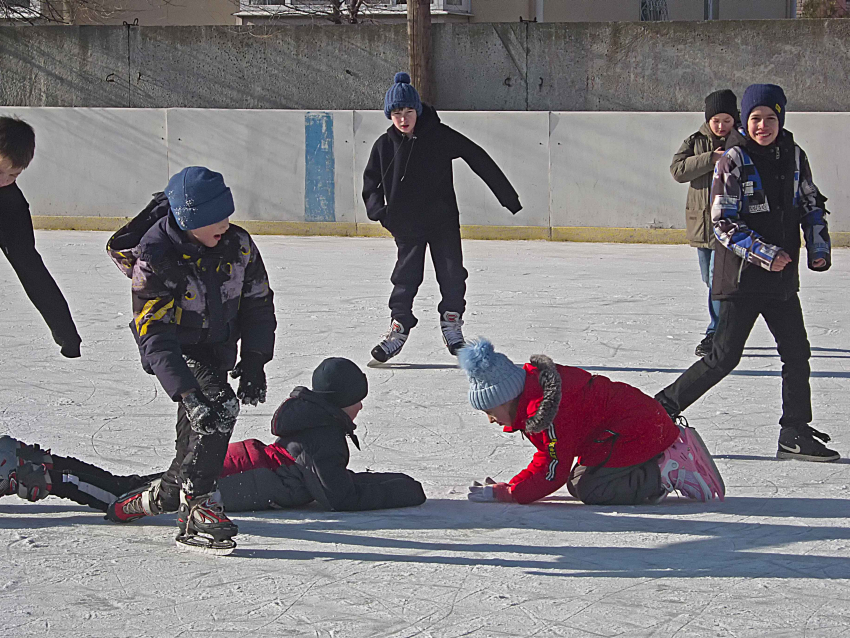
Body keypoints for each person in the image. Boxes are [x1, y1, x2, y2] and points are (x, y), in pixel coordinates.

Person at [655, 84, 838, 463]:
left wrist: (818, 248)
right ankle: (659, 411)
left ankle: (794, 432)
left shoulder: (794, 154)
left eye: (770, 118)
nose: (763, 126)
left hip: (781, 280)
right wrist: (767, 254)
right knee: (723, 358)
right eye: (755, 119)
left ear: (780, 118)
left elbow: (809, 202)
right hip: (741, 278)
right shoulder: (733, 159)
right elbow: (723, 222)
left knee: (797, 353)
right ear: (745, 120)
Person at [105, 166, 277, 552]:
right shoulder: (156, 257)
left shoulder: (238, 245)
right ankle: (199, 508)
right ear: (188, 219)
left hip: (217, 348)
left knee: (195, 443)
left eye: (228, 215)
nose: (226, 224)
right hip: (175, 351)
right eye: (215, 219)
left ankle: (160, 499)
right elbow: (154, 331)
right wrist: (185, 391)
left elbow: (258, 303)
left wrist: (254, 361)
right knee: (218, 407)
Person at [0, 359, 426, 514]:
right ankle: (47, 475)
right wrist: (404, 488)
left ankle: (40, 465)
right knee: (121, 498)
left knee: (126, 487)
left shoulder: (315, 425)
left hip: (233, 464)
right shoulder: (323, 440)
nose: (362, 408)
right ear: (339, 402)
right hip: (225, 476)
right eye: (358, 401)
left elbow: (332, 482)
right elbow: (340, 497)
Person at [363, 72, 522, 364]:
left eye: (408, 112)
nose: (403, 119)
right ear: (390, 115)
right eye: (396, 114)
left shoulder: (439, 135)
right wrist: (381, 214)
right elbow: (370, 183)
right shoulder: (384, 146)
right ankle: (398, 328)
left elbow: (477, 156)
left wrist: (507, 198)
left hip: (442, 220)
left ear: (417, 110)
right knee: (405, 278)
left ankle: (452, 322)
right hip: (407, 224)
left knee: (451, 274)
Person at [457, 339, 724, 506]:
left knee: (590, 488)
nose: (491, 420)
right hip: (632, 427)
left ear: (507, 399)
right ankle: (660, 458)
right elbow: (547, 454)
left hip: (639, 432)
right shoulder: (534, 396)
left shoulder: (546, 410)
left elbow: (554, 469)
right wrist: (513, 486)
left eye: (490, 411)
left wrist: (510, 494)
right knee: (579, 481)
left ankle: (663, 471)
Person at [0, 116, 81, 358]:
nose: (2, 181)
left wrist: (65, 331)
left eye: (12, 176)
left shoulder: (10, 206)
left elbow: (31, 270)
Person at [670, 89, 739, 357]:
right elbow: (677, 171)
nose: (721, 126)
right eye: (716, 120)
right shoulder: (695, 141)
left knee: (718, 279)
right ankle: (724, 326)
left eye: (727, 120)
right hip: (703, 223)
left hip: (732, 224)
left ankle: (716, 331)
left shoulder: (743, 141)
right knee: (709, 280)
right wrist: (710, 159)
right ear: (707, 120)